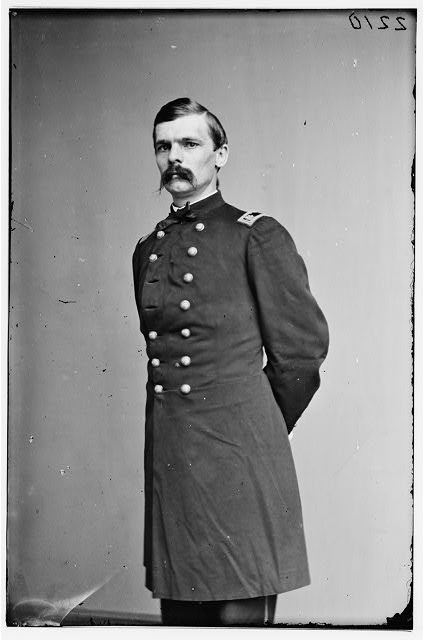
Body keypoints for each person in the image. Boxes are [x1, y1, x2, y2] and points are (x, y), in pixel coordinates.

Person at [132, 98, 329, 626]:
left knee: (238, 625)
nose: (175, 157)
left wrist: (255, 428)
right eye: (163, 146)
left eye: (190, 143)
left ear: (220, 154)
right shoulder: (147, 249)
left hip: (240, 462)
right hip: (175, 464)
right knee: (181, 622)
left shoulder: (255, 235)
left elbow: (301, 353)